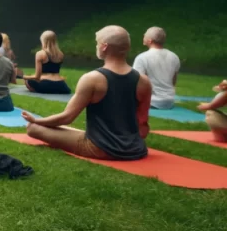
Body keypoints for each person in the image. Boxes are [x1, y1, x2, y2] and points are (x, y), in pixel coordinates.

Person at [22, 25, 151, 160]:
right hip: (136, 149)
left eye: (97, 43)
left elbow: (67, 118)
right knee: (68, 130)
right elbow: (143, 126)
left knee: (33, 128)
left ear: (104, 47)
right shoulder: (144, 81)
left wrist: (36, 120)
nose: (96, 46)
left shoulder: (92, 79)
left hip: (100, 148)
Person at [132, 26, 180, 110]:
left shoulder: (142, 58)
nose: (143, 36)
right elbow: (173, 81)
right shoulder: (174, 56)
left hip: (151, 102)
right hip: (169, 101)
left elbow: (137, 82)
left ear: (150, 40)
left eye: (145, 35)